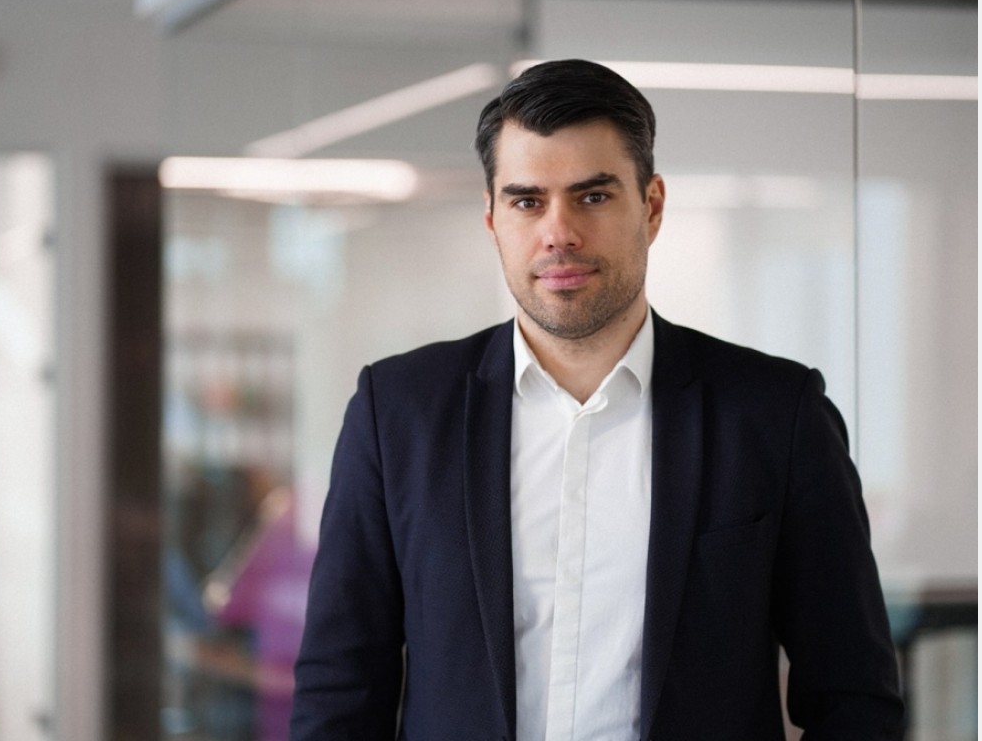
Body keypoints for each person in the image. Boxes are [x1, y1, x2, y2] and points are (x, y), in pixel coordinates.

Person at [290, 59, 903, 740]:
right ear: (492, 217)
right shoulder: (398, 414)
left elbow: (854, 697)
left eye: (592, 196)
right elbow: (340, 691)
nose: (559, 233)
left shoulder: (773, 415)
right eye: (527, 202)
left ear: (652, 206)